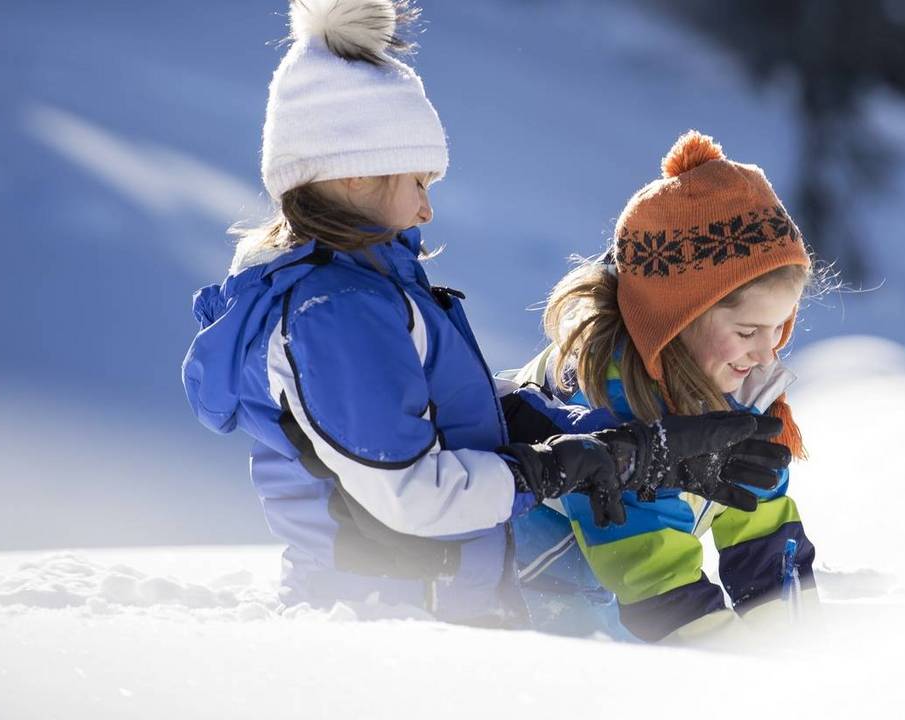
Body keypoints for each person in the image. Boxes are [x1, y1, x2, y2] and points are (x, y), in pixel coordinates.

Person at [181, 0, 772, 627]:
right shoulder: (333, 314)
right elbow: (412, 494)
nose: (426, 210)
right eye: (418, 181)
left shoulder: (365, 292)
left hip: (431, 609)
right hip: (382, 628)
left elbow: (431, 414)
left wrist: (604, 437)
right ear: (355, 175)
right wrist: (555, 466)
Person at [506, 130, 822, 643]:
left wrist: (792, 642)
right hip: (547, 611)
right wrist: (738, 668)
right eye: (748, 332)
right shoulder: (608, 401)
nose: (768, 353)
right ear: (677, 320)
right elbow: (651, 570)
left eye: (780, 329)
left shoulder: (734, 377)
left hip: (623, 602)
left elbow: (762, 521)